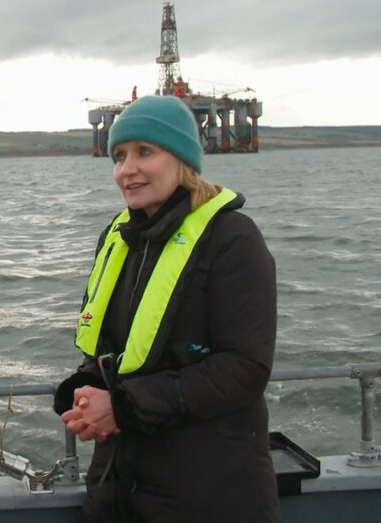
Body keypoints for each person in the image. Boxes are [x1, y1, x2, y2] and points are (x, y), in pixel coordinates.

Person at [53, 96, 279, 522]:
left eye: (145, 152)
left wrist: (121, 407)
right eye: (119, 156)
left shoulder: (233, 239)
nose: (127, 169)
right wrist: (85, 393)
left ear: (182, 159)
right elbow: (109, 349)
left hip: (209, 495)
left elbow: (244, 368)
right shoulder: (118, 238)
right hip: (118, 487)